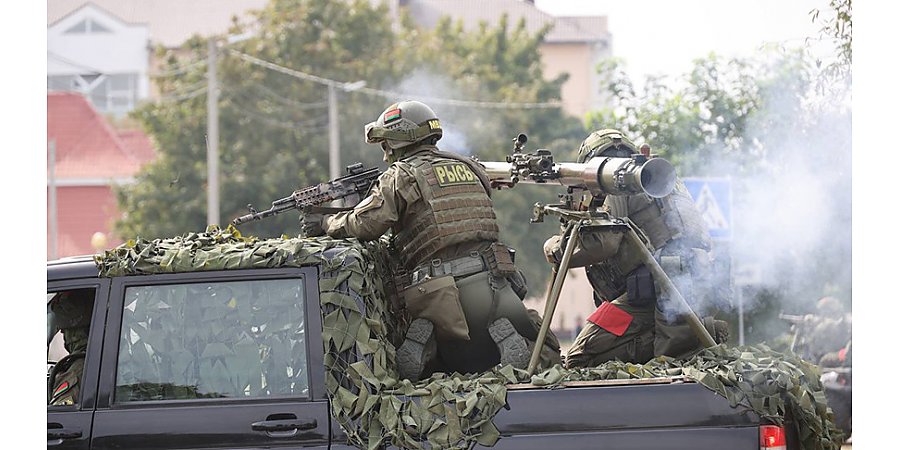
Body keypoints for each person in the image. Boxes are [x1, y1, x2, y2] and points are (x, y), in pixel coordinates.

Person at [302, 100, 560, 381]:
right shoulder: (469, 167)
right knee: (539, 350)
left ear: (398, 140)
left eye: (386, 143)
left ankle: (424, 345)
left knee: (432, 376)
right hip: (496, 282)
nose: (385, 152)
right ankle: (504, 341)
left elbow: (366, 225)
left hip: (439, 294)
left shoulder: (401, 175)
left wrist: (328, 222)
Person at [545, 129, 728, 368]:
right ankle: (697, 336)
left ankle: (677, 349)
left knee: (581, 356)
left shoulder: (614, 179)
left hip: (653, 298)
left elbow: (605, 244)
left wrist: (554, 248)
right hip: (695, 289)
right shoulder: (662, 181)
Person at [48, 290, 93, 406]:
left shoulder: (80, 369)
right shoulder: (101, 359)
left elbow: (57, 417)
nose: (64, 337)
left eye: (65, 332)